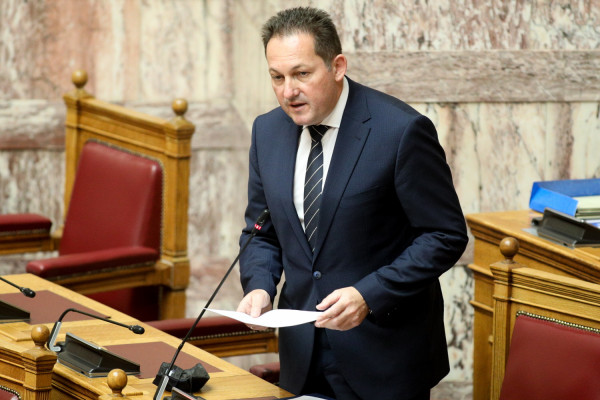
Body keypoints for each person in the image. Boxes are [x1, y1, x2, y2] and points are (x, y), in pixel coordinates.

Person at [236, 6, 468, 400]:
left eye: (301, 74)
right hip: (302, 353)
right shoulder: (267, 131)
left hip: (384, 355)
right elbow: (261, 232)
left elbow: (444, 235)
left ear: (337, 66)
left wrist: (369, 294)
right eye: (277, 77)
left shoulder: (400, 131)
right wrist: (259, 286)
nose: (288, 91)